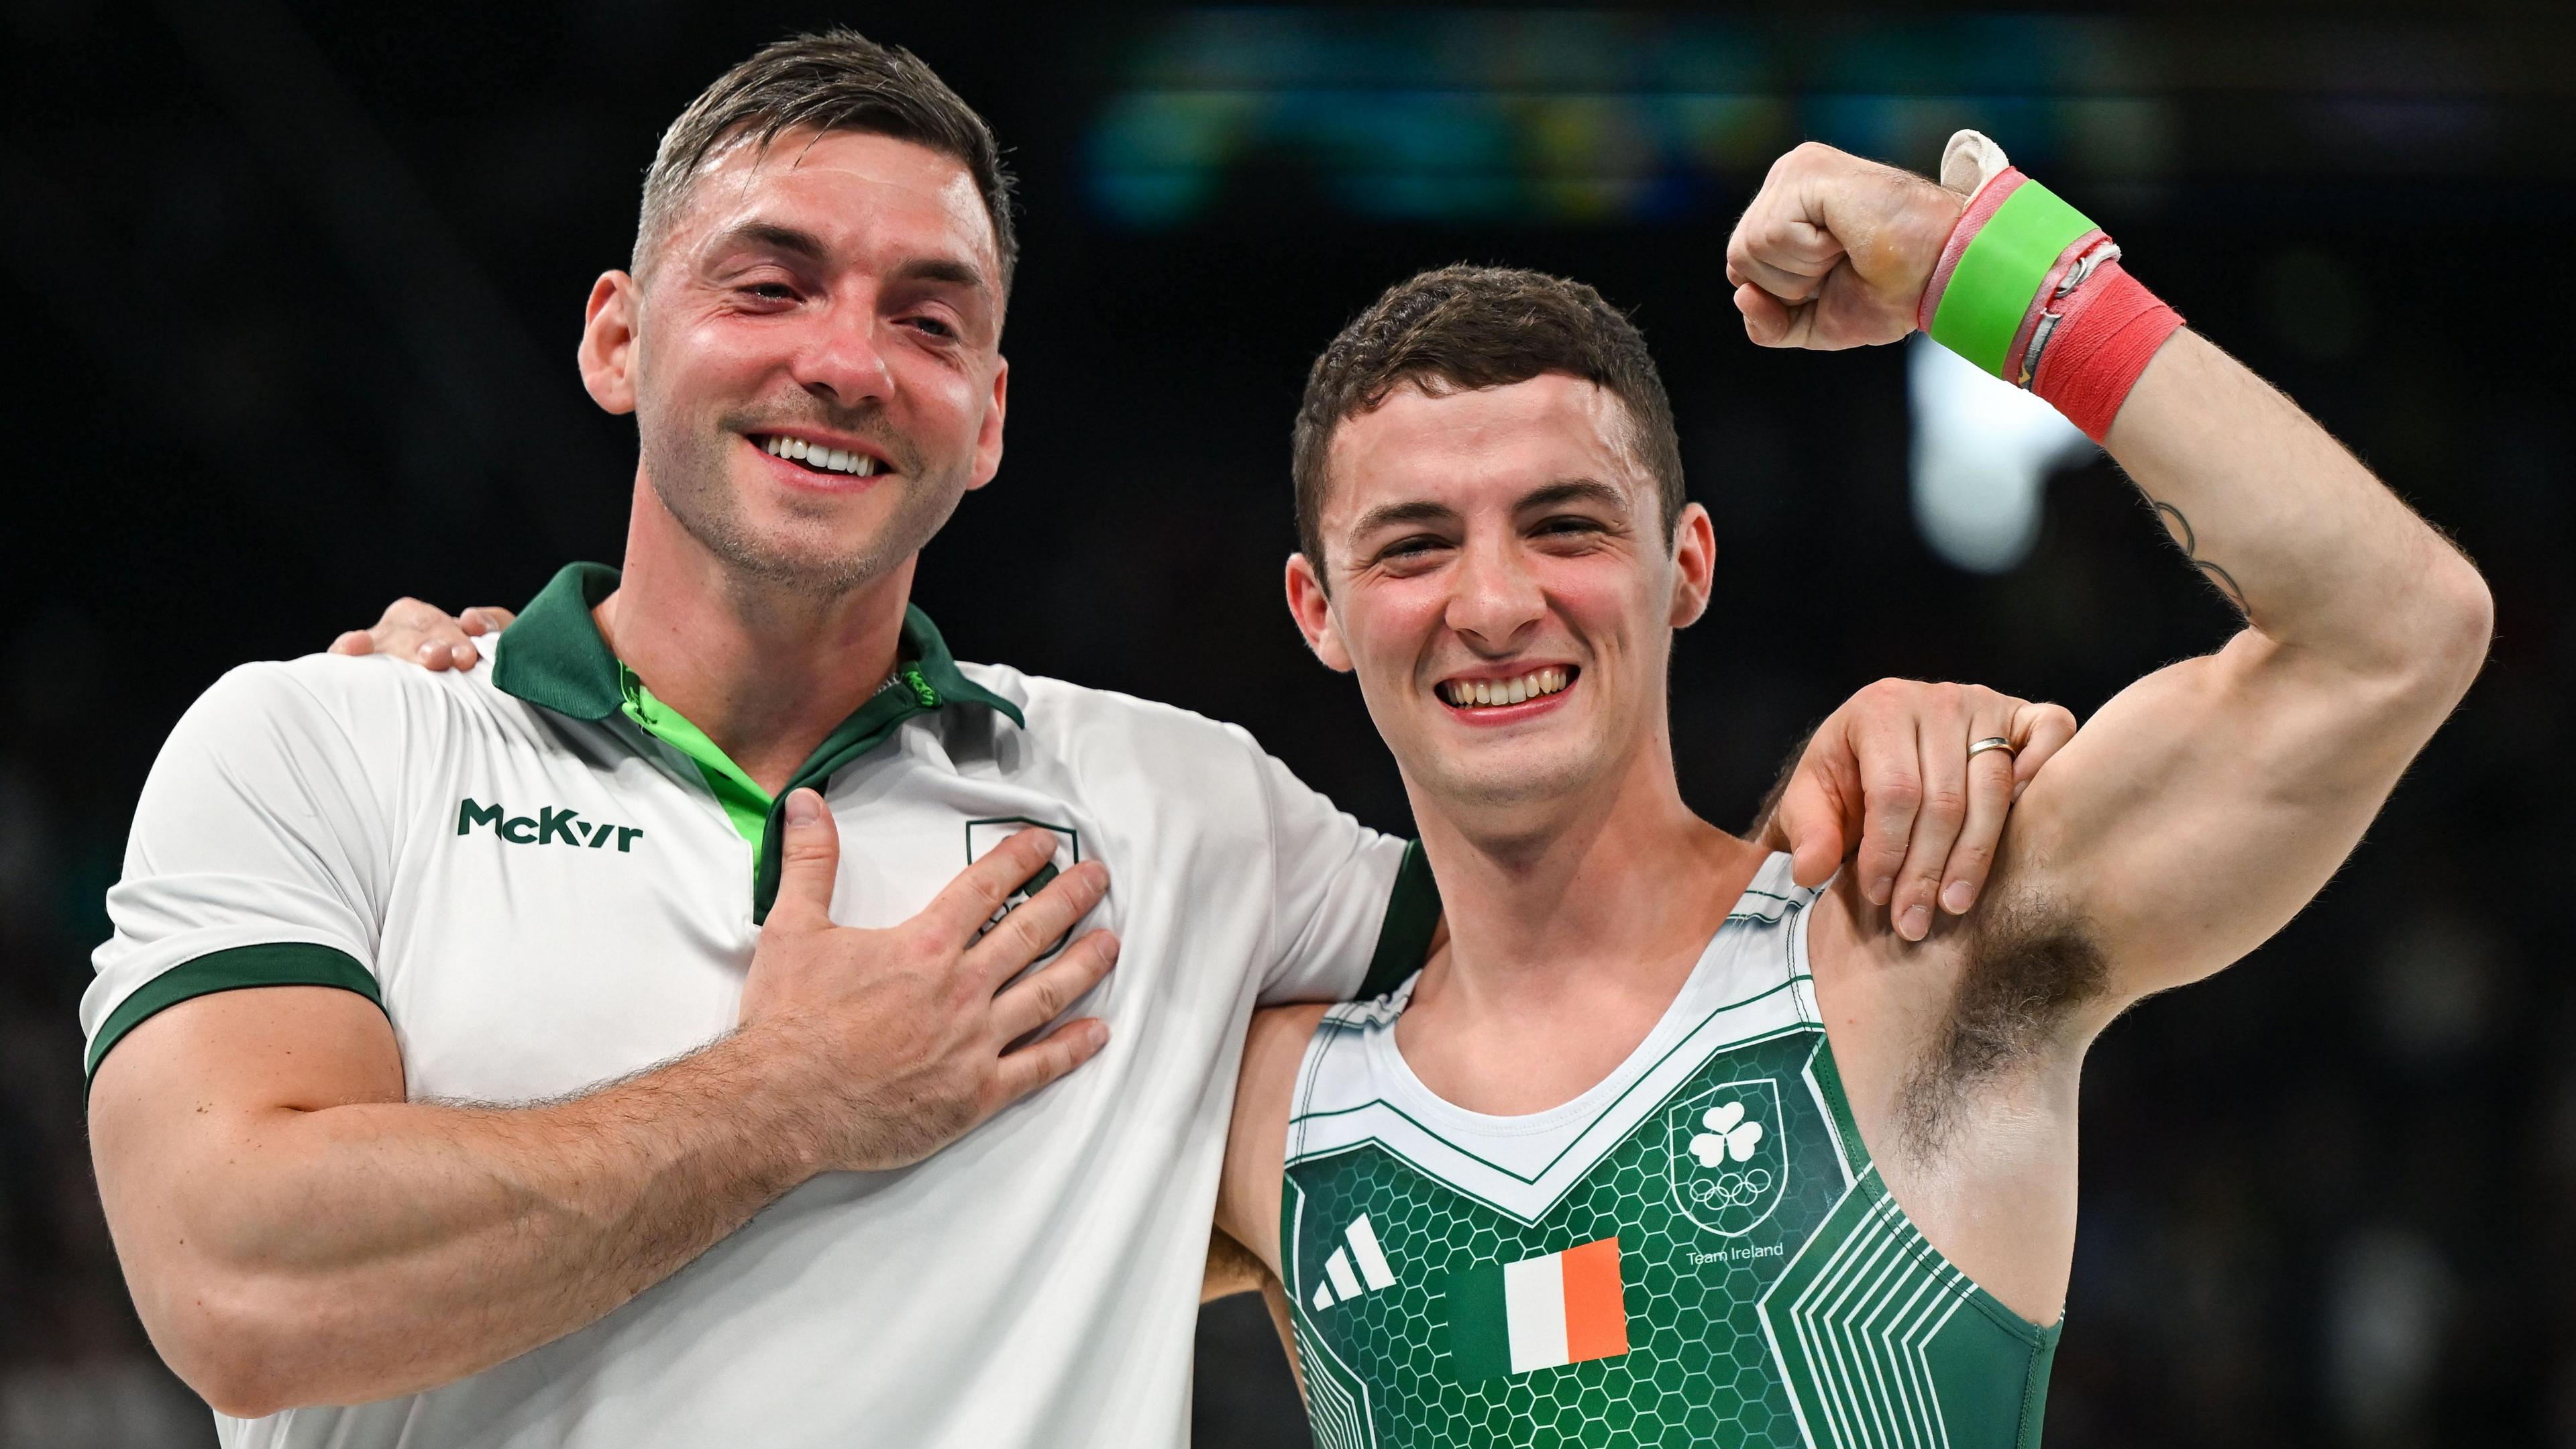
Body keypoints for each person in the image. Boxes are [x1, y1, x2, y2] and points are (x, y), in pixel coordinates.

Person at [85, 31, 2064, 1449]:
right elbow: (241, 1293)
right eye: (768, 285)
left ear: (994, 414)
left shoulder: (1179, 817)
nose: (847, 360)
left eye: (929, 317)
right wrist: (790, 1098)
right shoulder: (330, 751)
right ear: (618, 339)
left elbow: (1594, 962)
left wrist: (1884, 746)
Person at [1203, 138, 2491, 1447]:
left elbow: (2394, 632)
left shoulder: (1921, 940)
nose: (1493, 605)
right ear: (1322, 611)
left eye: (1568, 525)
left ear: (1686, 565)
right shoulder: (1266, 1117)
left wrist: (1976, 271)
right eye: (1417, 546)